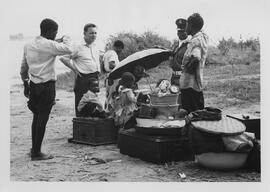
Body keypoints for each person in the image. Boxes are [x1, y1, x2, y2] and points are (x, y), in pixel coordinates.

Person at [20, 18, 73, 161]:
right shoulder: (50, 44)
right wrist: (65, 38)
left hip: (33, 84)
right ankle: (37, 153)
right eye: (55, 32)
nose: (56, 35)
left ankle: (34, 148)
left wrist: (25, 83)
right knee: (43, 118)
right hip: (47, 85)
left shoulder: (28, 44)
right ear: (50, 31)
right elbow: (69, 49)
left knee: (36, 116)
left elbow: (24, 67)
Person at [60, 23, 102, 117]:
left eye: (95, 33)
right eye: (91, 33)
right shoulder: (77, 46)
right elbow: (64, 58)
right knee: (81, 103)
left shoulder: (95, 46)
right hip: (83, 78)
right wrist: (74, 69)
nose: (94, 35)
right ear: (84, 33)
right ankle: (80, 125)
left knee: (93, 102)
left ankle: (90, 124)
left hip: (94, 78)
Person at [179, 13, 209, 113]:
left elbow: (196, 58)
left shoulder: (196, 40)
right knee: (197, 114)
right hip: (194, 84)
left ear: (191, 26)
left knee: (192, 114)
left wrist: (187, 69)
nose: (185, 27)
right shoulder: (200, 38)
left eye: (187, 24)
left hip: (190, 86)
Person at [170, 18, 190, 86]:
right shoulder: (175, 45)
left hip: (184, 78)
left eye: (183, 31)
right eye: (179, 31)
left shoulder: (190, 45)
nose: (180, 33)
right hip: (173, 78)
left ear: (186, 31)